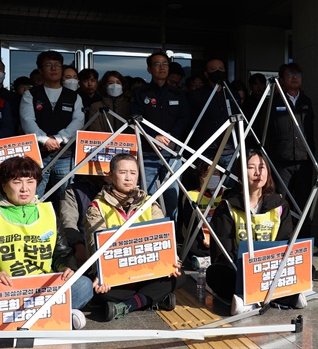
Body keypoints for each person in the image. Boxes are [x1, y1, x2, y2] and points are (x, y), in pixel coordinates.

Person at [0, 157, 96, 329]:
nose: (25, 188)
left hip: (43, 286)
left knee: (84, 285)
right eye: (17, 182)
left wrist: (65, 267)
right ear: (4, 185)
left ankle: (15, 319)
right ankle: (54, 314)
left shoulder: (48, 211)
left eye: (30, 182)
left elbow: (61, 253)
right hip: (7, 289)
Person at [83, 153, 184, 321]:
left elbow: (164, 237)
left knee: (179, 276)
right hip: (118, 277)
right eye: (123, 172)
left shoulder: (149, 203)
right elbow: (95, 246)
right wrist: (102, 274)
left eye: (133, 172)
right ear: (110, 176)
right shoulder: (96, 207)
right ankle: (153, 300)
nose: (128, 178)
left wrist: (173, 259)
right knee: (100, 292)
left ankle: (128, 306)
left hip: (148, 273)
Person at [206, 149, 305, 315]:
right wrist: (249, 269)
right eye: (251, 167)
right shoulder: (227, 206)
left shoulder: (280, 205)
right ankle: (283, 297)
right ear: (240, 172)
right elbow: (223, 250)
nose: (258, 172)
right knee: (215, 274)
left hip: (271, 269)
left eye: (262, 167)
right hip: (240, 270)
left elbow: (286, 242)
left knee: (307, 268)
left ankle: (249, 299)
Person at [130, 52, 189, 223]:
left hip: (172, 154)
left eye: (165, 64)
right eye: (157, 64)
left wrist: (170, 136)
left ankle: (173, 238)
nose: (162, 67)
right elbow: (135, 117)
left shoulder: (178, 93)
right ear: (149, 69)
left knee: (172, 199)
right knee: (147, 199)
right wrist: (153, 136)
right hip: (148, 152)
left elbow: (184, 118)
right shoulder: (140, 92)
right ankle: (151, 234)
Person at [19, 51, 84, 205]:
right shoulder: (31, 94)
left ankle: (65, 229)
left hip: (65, 155)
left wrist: (59, 138)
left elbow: (78, 122)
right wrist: (44, 139)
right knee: (34, 197)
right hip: (37, 156)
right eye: (48, 65)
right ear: (40, 71)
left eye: (57, 65)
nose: (53, 69)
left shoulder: (74, 96)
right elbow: (27, 120)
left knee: (66, 200)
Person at [266, 62, 316, 239]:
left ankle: (304, 239)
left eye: (298, 74)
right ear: (281, 79)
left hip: (304, 160)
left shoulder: (306, 101)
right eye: (290, 74)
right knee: (280, 201)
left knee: (303, 202)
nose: (295, 77)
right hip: (281, 160)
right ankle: (281, 238)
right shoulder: (273, 101)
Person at [180, 161, 224, 265]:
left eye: (216, 173)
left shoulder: (228, 193)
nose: (212, 176)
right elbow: (189, 224)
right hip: (202, 239)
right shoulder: (192, 196)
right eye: (207, 174)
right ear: (201, 178)